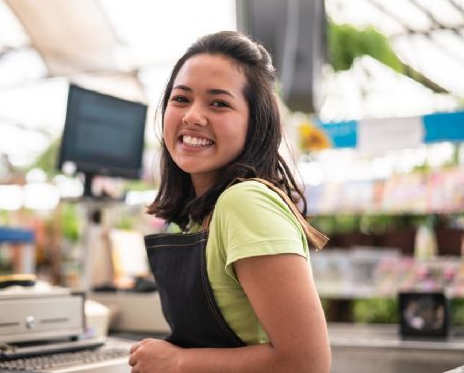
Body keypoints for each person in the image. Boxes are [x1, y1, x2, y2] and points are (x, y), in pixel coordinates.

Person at [129, 31, 331, 373]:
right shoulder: (198, 213)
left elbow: (307, 364)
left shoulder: (244, 201)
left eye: (218, 103)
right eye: (181, 99)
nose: (193, 115)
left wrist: (178, 361)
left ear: (255, 123)